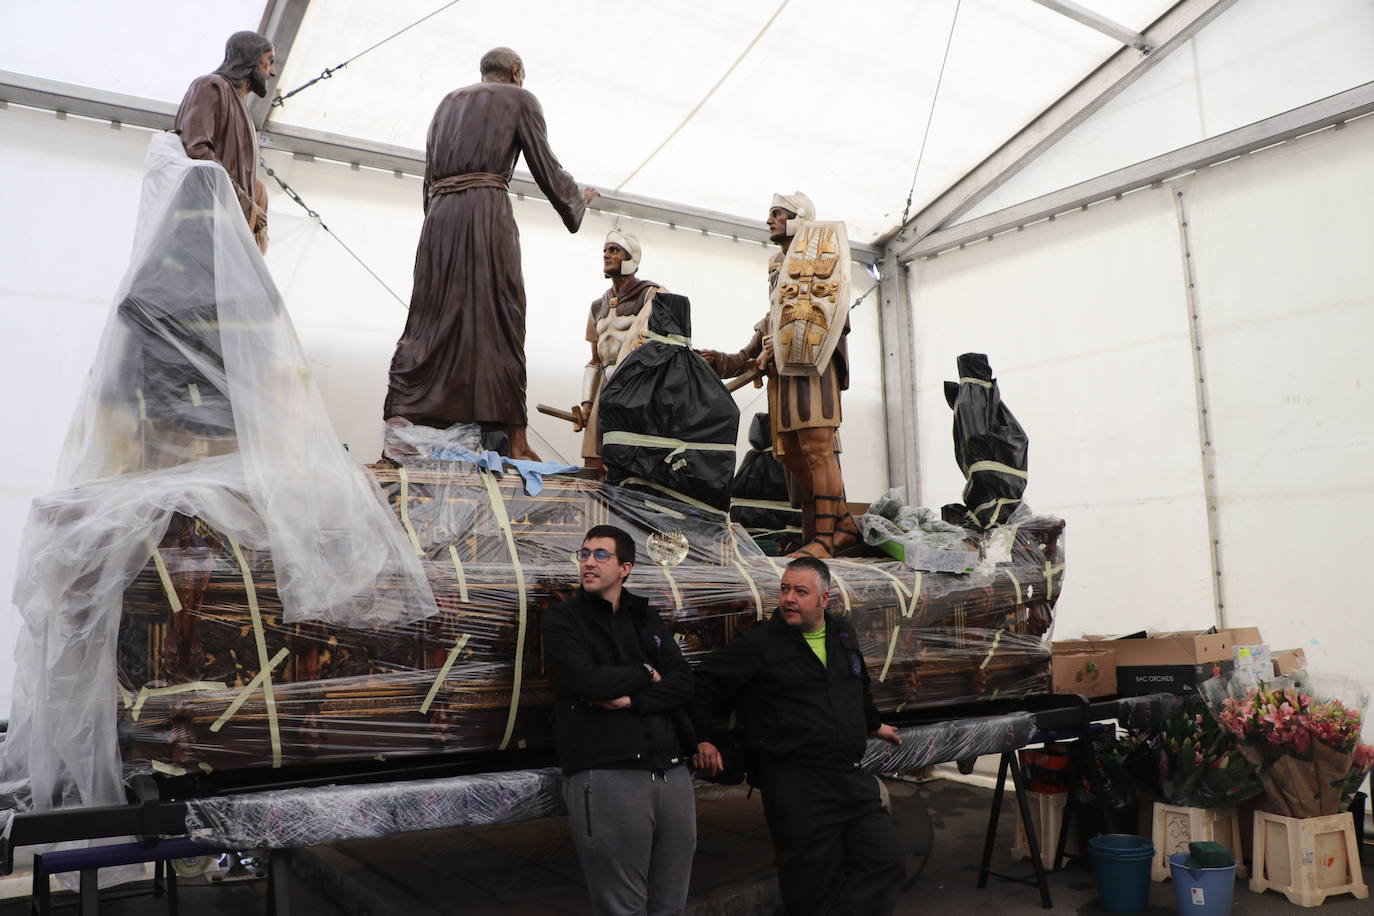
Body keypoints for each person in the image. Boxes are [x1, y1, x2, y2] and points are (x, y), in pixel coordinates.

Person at [384, 47, 597, 460]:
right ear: (516, 72)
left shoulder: (447, 103)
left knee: (428, 319)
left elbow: (429, 177)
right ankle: (516, 442)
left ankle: (397, 431)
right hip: (485, 211)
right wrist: (578, 199)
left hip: (440, 219)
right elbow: (545, 165)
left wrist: (438, 224)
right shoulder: (520, 99)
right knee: (502, 317)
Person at [692, 556, 905, 915]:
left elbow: (856, 686)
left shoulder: (842, 634)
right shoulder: (758, 644)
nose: (789, 598)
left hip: (849, 776)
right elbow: (702, 685)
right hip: (795, 782)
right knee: (810, 887)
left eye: (800, 591)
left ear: (824, 599)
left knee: (885, 862)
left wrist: (871, 723)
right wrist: (702, 737)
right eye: (785, 589)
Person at [541, 525, 697, 915]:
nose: (588, 562)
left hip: (671, 773)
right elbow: (587, 681)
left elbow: (683, 682)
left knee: (670, 906)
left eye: (600, 555)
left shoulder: (646, 618)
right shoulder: (563, 620)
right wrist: (646, 673)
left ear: (625, 567)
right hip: (608, 774)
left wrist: (632, 699)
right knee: (622, 908)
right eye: (584, 554)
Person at [697, 193, 858, 558]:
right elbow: (756, 343)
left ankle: (825, 540)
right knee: (792, 455)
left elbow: (830, 315)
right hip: (783, 378)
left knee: (818, 450)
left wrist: (782, 344)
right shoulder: (777, 268)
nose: (769, 220)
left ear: (799, 218)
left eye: (777, 214)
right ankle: (843, 525)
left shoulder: (821, 263)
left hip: (814, 369)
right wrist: (720, 361)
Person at [173, 31, 276, 252]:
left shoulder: (242, 109)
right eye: (269, 62)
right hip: (201, 229)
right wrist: (246, 206)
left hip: (226, 236)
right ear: (251, 59)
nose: (273, 72)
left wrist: (254, 198)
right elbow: (197, 151)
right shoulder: (212, 86)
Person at [573, 230, 664, 473]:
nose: (606, 255)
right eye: (605, 250)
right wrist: (587, 403)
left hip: (637, 389)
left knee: (630, 461)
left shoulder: (651, 294)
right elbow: (594, 360)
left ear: (630, 257)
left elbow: (661, 348)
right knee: (593, 462)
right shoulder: (597, 306)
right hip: (605, 387)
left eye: (614, 250)